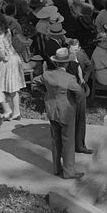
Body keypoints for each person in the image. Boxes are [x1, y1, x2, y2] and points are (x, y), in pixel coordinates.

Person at [42, 48, 87, 179]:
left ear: (56, 63)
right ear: (67, 63)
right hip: (66, 111)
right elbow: (80, 92)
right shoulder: (70, 78)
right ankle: (69, 171)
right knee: (68, 141)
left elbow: (35, 83)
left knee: (55, 139)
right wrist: (74, 103)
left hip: (52, 111)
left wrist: (48, 95)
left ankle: (56, 168)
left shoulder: (47, 74)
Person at [0, 14, 25, 122]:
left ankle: (7, 110)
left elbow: (2, 54)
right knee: (14, 88)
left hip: (7, 62)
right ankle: (17, 112)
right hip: (15, 57)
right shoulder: (8, 31)